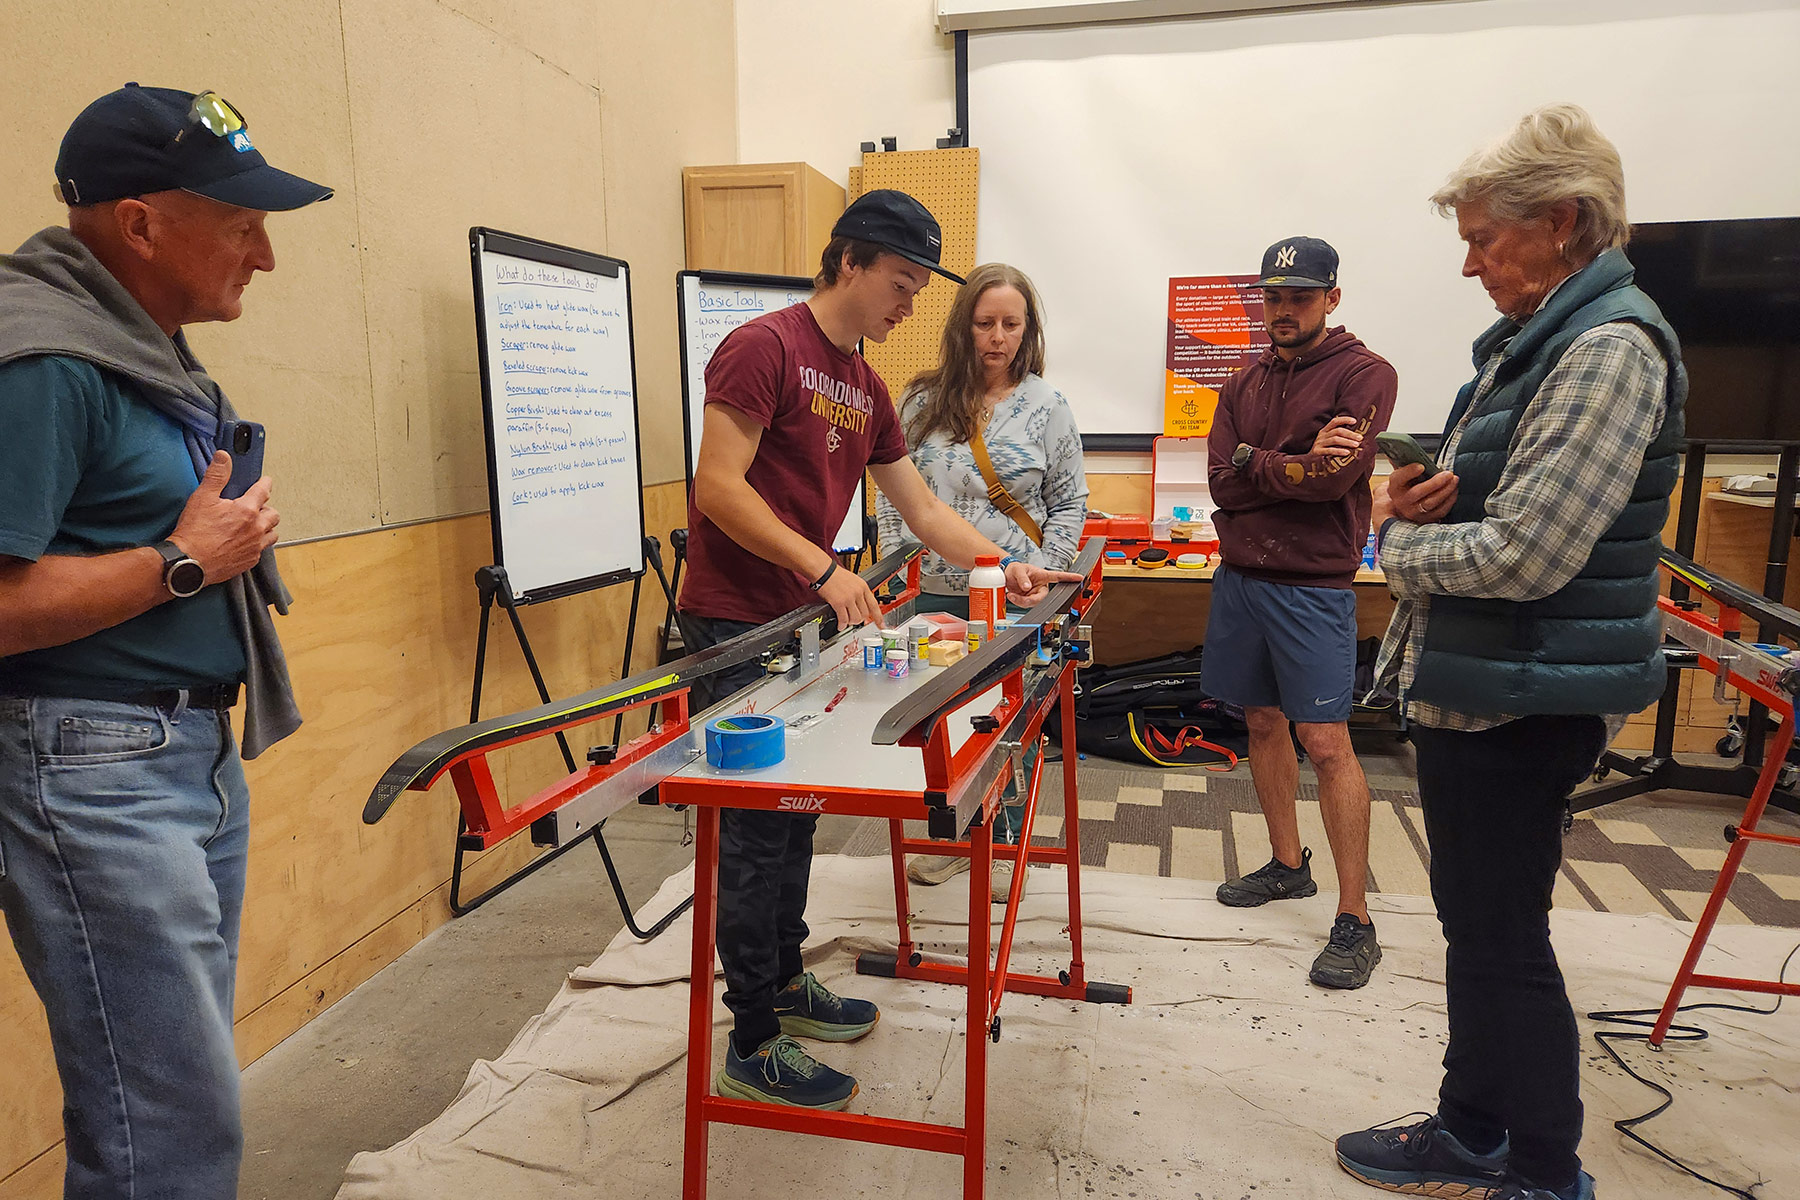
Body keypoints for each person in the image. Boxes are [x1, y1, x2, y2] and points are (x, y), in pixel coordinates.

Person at [1334, 105, 1685, 1200]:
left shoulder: (1608, 351)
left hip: (1524, 695)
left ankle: (1542, 1171)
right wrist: (1424, 496)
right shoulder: (1543, 341)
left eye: (1486, 238)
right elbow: (1502, 507)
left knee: (1502, 942)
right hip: (1492, 683)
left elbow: (1528, 554)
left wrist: (1395, 544)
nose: (1469, 262)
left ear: (1563, 221)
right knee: (1481, 931)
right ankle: (1471, 1128)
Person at [678, 189, 1078, 1112]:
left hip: (802, 624)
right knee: (755, 835)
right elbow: (718, 487)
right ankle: (751, 1041)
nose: (909, 305)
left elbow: (924, 509)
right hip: (738, 625)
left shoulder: (862, 383)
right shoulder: (764, 347)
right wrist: (825, 570)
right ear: (850, 261)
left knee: (799, 816)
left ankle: (784, 981)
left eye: (917, 291)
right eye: (900, 283)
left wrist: (1005, 565)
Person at [0, 84, 330, 1199]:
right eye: (241, 225)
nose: (264, 255)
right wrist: (183, 563)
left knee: (168, 1107)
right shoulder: (46, 361)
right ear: (139, 224)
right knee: (166, 1127)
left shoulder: (140, 352)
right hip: (95, 769)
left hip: (180, 759)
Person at [1203, 237, 1397, 990]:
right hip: (1241, 577)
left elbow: (1331, 480)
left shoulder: (1365, 373)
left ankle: (1356, 917)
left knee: (1325, 741)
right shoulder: (1241, 380)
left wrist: (1257, 460)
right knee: (1260, 722)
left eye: (1301, 296)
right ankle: (1288, 865)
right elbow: (1222, 484)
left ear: (1331, 298)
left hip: (1314, 587)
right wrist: (1285, 460)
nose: (1284, 310)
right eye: (1274, 296)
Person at [877, 262, 1087, 899]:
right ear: (962, 327)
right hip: (936, 589)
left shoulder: (1048, 406)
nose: (998, 337)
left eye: (1011, 324)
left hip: (1015, 596)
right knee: (941, 721)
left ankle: (1001, 844)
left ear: (1028, 330)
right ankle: (952, 841)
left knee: (1007, 723)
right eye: (985, 323)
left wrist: (1049, 579)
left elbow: (1069, 501)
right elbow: (895, 495)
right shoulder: (920, 401)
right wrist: (895, 567)